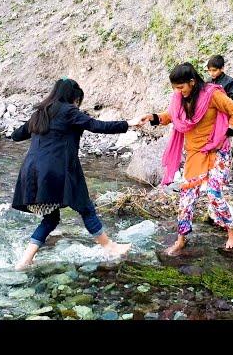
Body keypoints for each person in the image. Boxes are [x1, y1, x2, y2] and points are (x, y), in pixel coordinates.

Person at [11, 78, 143, 270]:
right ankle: (109, 247)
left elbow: (16, 135)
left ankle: (25, 260)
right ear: (73, 97)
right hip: (58, 170)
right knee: (85, 207)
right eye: (77, 100)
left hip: (31, 172)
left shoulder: (40, 113)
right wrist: (129, 123)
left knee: (51, 218)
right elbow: (97, 126)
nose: (77, 105)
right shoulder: (68, 111)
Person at [141, 62, 233, 256]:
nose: (178, 92)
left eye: (181, 87)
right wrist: (153, 118)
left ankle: (232, 232)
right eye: (175, 88)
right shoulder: (179, 97)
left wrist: (226, 134)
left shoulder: (212, 94)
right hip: (195, 154)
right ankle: (181, 239)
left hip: (216, 152)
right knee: (186, 198)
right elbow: (171, 115)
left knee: (214, 194)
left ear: (192, 82)